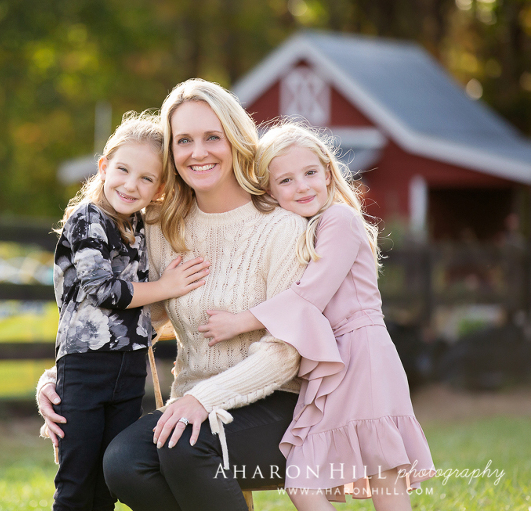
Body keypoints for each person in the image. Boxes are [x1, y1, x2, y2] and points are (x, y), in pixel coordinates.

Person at [38, 78, 307, 511]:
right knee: (123, 463)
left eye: (212, 137)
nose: (198, 152)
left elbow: (285, 353)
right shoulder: (163, 226)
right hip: (193, 403)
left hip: (278, 406)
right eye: (184, 141)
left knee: (185, 444)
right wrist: (64, 377)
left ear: (236, 139)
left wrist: (205, 399)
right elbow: (141, 313)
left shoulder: (282, 228)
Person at [199, 122, 436, 510]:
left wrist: (240, 321)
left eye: (310, 173)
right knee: (302, 476)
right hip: (328, 361)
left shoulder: (341, 219)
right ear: (270, 192)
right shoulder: (298, 231)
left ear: (327, 173)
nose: (302, 186)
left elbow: (311, 294)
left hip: (362, 353)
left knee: (382, 469)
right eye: (286, 180)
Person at [41, 111, 211, 511]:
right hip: (85, 367)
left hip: (130, 367)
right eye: (122, 170)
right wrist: (166, 286)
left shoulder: (138, 225)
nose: (131, 184)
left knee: (107, 483)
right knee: (76, 481)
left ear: (160, 189)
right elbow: (102, 289)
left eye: (146, 178)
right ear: (104, 167)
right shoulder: (88, 219)